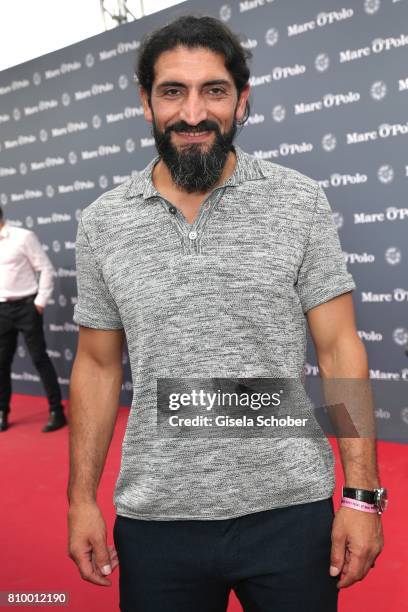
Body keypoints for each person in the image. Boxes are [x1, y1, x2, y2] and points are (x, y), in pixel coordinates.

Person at [67, 15, 385, 612]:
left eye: (213, 90)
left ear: (243, 101)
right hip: (156, 517)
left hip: (291, 511)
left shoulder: (298, 201)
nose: (192, 113)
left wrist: (362, 497)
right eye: (172, 92)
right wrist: (80, 498)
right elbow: (96, 364)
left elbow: (340, 349)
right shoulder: (103, 222)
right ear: (145, 102)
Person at [0, 206, 67, 432]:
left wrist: (39, 303)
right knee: (1, 364)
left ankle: (56, 411)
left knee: (39, 358)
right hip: (1, 310)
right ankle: (2, 413)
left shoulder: (22, 237)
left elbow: (46, 269)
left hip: (26, 306)